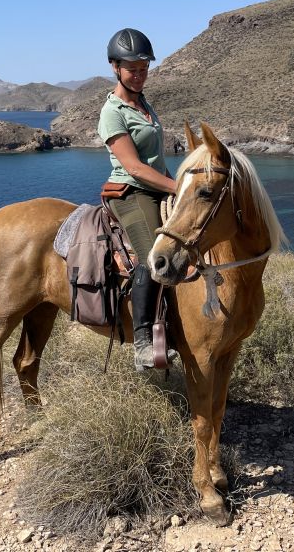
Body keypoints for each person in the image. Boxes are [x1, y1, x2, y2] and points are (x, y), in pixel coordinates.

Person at [98, 28, 176, 371]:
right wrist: (177, 189)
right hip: (131, 191)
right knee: (153, 255)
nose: (140, 75)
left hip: (159, 185)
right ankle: (143, 342)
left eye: (144, 68)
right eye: (133, 69)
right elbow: (135, 167)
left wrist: (177, 182)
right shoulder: (111, 112)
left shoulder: (145, 104)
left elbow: (157, 161)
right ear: (115, 67)